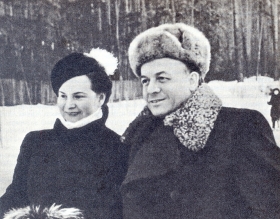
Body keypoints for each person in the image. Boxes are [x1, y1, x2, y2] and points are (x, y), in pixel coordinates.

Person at [120, 23, 280, 219]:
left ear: (193, 80)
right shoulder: (139, 134)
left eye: (162, 78)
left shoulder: (240, 127)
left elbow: (270, 209)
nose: (151, 89)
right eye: (145, 80)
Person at [0, 48, 128, 219]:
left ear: (100, 98)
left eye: (78, 96)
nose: (69, 105)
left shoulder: (118, 147)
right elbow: (15, 196)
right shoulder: (36, 142)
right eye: (63, 96)